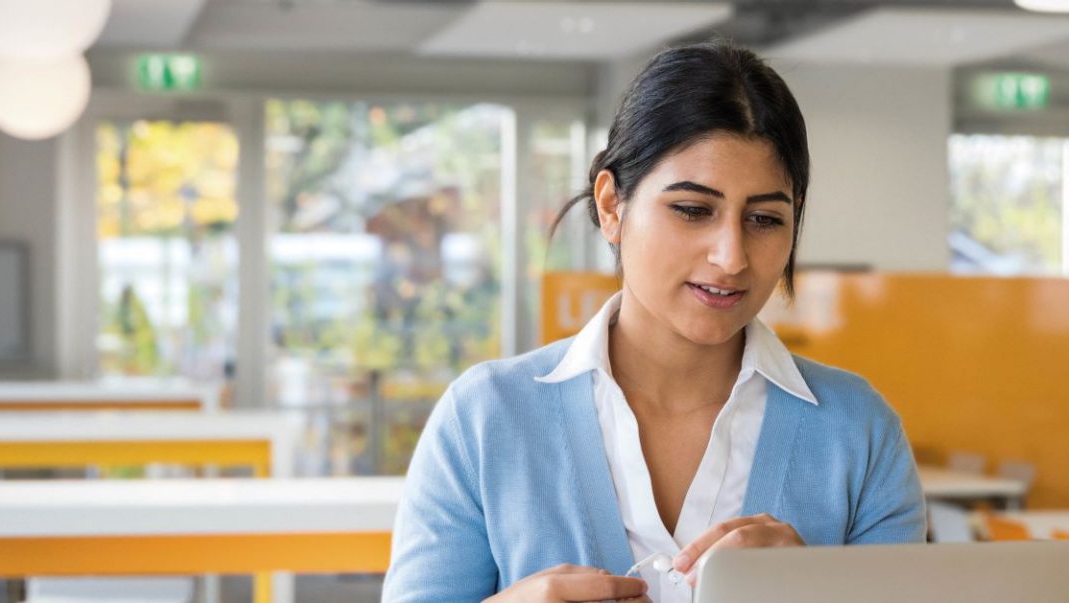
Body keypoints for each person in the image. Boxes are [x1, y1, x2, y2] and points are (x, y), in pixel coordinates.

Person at [383, 40, 926, 603]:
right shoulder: (484, 420)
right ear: (612, 206)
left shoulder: (858, 433)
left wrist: (816, 592)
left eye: (764, 219)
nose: (732, 256)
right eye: (692, 210)